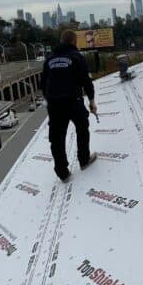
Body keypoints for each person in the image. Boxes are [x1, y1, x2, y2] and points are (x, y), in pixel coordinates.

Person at [41, 30, 98, 181]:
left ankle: (62, 172)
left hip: (54, 105)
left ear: (61, 41)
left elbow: (43, 84)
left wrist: (50, 100)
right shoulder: (76, 57)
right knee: (82, 128)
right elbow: (86, 81)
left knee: (57, 138)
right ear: (74, 42)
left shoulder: (49, 59)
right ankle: (84, 160)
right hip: (73, 102)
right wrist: (92, 101)